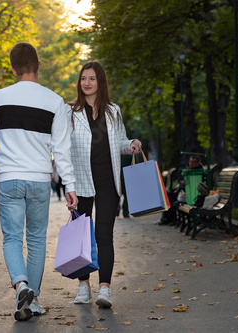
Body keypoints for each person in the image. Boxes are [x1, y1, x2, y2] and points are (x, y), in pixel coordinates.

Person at [0, 42, 78, 321]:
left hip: (9, 177)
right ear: (39, 65)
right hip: (39, 179)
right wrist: (70, 186)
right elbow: (61, 150)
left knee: (12, 238)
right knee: (37, 239)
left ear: (13, 69)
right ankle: (33, 298)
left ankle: (21, 286)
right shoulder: (54, 101)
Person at [67, 61, 142, 308]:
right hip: (81, 181)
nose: (86, 83)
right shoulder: (70, 112)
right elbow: (62, 148)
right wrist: (68, 185)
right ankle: (83, 286)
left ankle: (105, 290)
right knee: (80, 236)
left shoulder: (113, 111)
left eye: (92, 79)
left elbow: (120, 141)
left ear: (101, 82)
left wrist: (131, 143)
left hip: (108, 180)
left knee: (104, 235)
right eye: (83, 79)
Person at [156, 155, 204, 225]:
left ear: (197, 163)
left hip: (187, 195)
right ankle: (166, 218)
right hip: (181, 192)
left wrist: (181, 186)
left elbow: (191, 186)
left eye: (193, 162)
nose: (191, 163)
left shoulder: (196, 172)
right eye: (190, 161)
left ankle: (167, 218)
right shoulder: (190, 171)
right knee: (165, 194)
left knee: (166, 196)